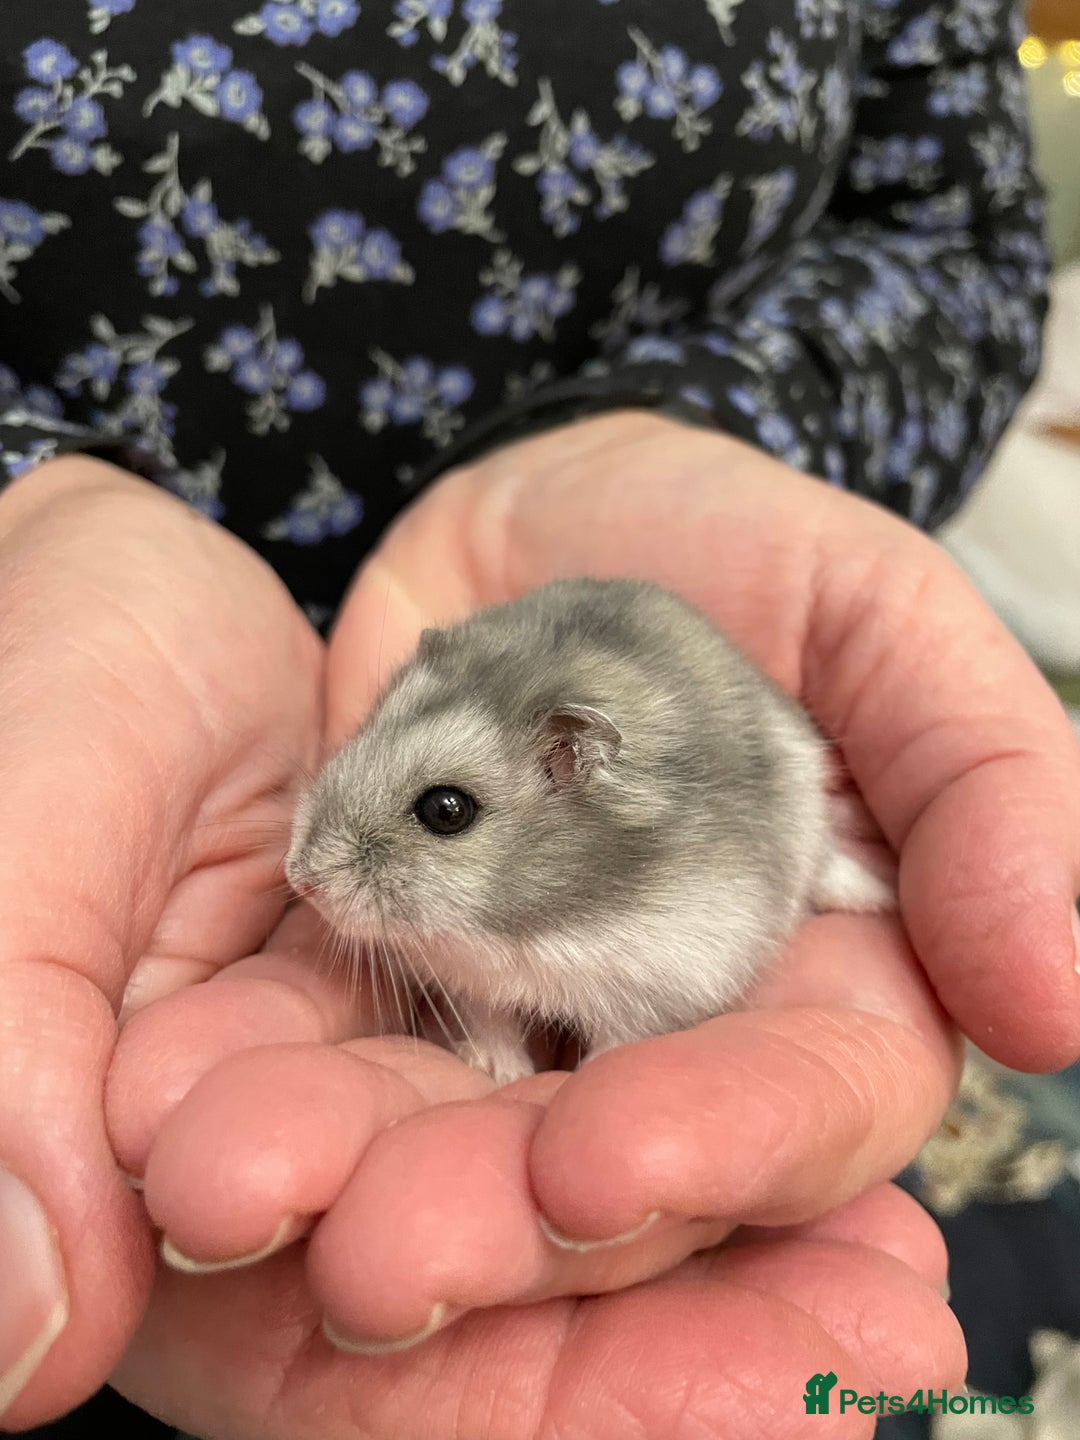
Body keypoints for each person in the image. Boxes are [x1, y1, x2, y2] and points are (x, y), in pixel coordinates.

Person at [1, 2, 1078, 1437]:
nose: (319, 874)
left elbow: (955, 248)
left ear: (586, 777)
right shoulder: (442, 806)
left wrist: (704, 425)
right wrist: (35, 498)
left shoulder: (668, 892)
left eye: (441, 814)